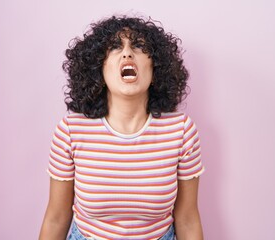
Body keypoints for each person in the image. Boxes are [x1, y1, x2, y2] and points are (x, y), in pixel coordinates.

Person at [39, 15, 205, 240]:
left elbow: (187, 218)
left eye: (138, 46)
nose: (127, 53)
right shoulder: (70, 131)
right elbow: (56, 217)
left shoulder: (181, 131)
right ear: (99, 69)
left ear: (155, 67)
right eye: (116, 47)